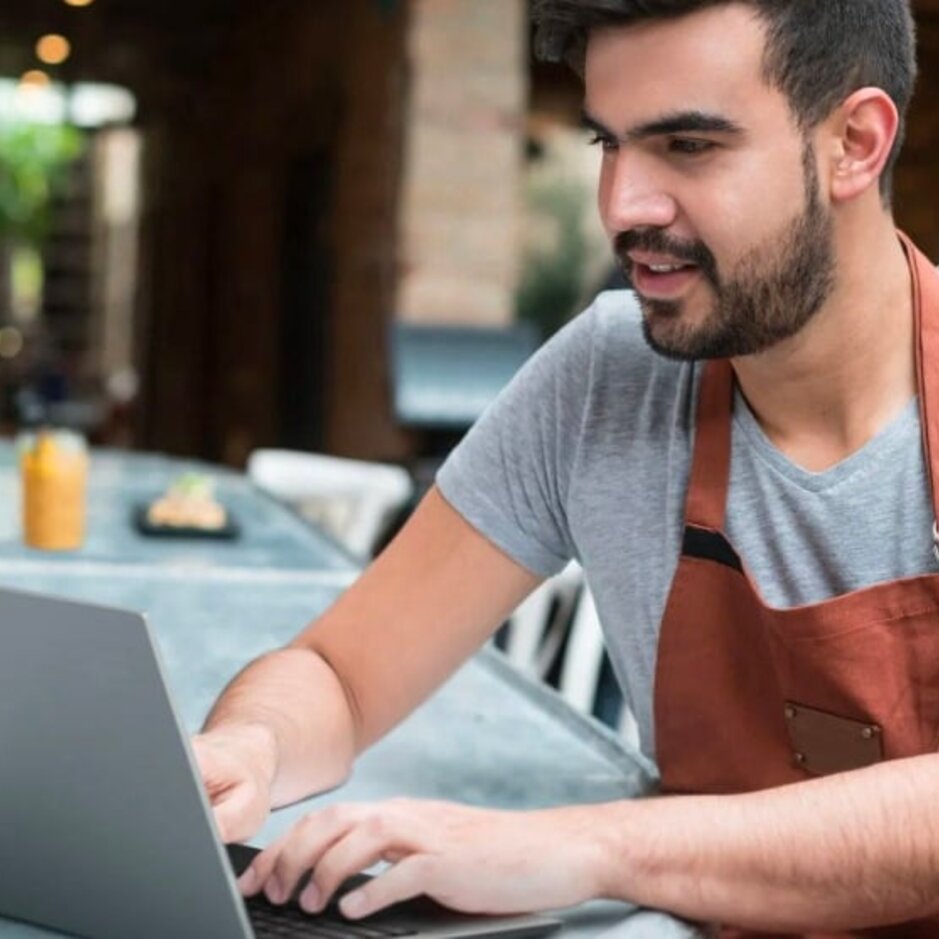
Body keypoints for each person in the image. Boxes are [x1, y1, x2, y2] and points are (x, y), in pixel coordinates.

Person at [193, 1, 939, 935]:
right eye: (608, 145)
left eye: (688, 147)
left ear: (854, 144)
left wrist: (591, 843)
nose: (623, 206)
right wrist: (250, 745)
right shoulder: (606, 377)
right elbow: (339, 674)